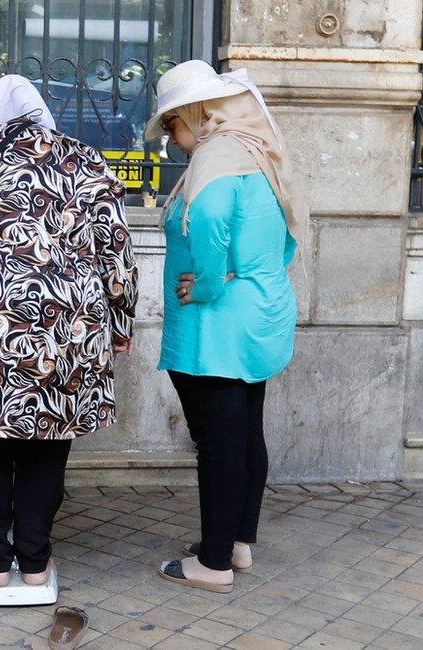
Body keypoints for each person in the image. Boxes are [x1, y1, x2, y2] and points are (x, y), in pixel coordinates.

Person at [0, 75, 138, 589]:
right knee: (48, 442)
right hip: (66, 329)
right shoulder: (84, 159)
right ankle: (36, 563)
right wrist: (121, 318)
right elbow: (117, 250)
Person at [144, 60, 306, 593]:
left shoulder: (216, 156)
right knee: (243, 435)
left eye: (173, 124)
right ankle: (236, 543)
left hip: (216, 327)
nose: (173, 137)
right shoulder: (258, 153)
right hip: (260, 315)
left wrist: (211, 284)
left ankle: (210, 564)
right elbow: (287, 234)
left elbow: (209, 217)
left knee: (218, 443)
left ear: (197, 112)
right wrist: (250, 272)